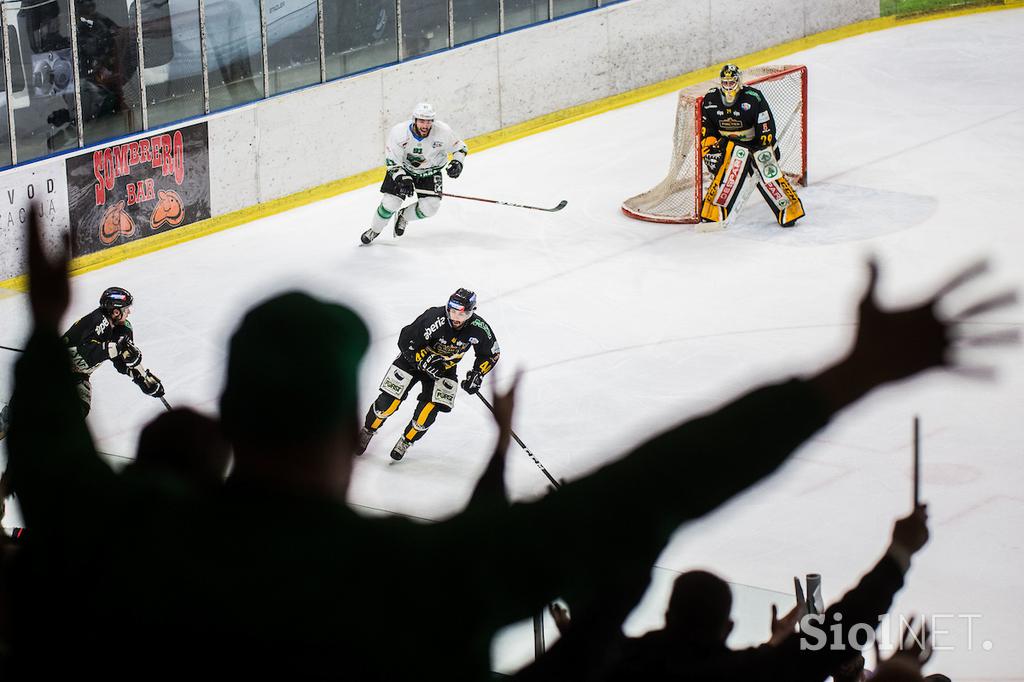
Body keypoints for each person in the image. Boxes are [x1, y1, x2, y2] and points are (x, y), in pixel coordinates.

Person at [6, 203, 1015, 680]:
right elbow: (642, 492)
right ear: (348, 442)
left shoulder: (109, 536)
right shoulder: (416, 578)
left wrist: (48, 322)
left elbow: (45, 449)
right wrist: (846, 375)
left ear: (229, 421)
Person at [603, 506, 931, 682]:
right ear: (727, 628)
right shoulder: (746, 675)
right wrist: (899, 552)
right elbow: (834, 638)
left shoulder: (611, 665)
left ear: (668, 615)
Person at [357, 287, 500, 460]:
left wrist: (478, 374)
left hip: (444, 369)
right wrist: (419, 361)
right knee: (387, 404)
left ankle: (406, 441)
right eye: (453, 312)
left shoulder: (479, 328)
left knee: (426, 414)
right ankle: (367, 430)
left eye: (462, 315)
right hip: (411, 362)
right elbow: (405, 340)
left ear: (471, 312)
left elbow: (491, 353)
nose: (456, 318)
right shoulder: (434, 317)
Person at [699, 64, 805, 227]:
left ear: (739, 81)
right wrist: (710, 147)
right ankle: (713, 212)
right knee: (729, 174)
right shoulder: (710, 100)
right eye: (725, 82)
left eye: (731, 82)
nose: (728, 86)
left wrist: (763, 147)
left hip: (757, 144)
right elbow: (708, 129)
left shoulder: (753, 97)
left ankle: (790, 211)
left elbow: (766, 125)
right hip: (732, 147)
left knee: (766, 169)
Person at [360, 102, 468, 245]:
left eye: (428, 121)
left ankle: (404, 216)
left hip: (430, 171)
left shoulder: (443, 131)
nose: (425, 125)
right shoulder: (399, 133)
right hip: (404, 170)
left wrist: (457, 162)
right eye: (422, 121)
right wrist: (401, 178)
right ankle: (375, 229)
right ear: (414, 120)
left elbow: (460, 147)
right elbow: (392, 162)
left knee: (430, 207)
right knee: (390, 203)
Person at [62, 286, 165, 415]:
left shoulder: (121, 328)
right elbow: (87, 353)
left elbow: (121, 362)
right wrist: (116, 347)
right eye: (126, 309)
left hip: (79, 376)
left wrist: (143, 379)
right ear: (116, 312)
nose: (129, 312)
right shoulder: (99, 320)